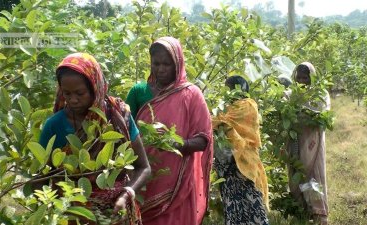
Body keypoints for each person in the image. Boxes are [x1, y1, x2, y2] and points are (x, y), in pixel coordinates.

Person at [39, 52, 151, 224]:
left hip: (115, 214)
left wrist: (127, 194)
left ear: (95, 87)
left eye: (80, 93)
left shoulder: (117, 117)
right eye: (67, 94)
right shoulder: (55, 126)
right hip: (72, 215)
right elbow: (40, 178)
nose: (73, 100)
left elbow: (143, 168)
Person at [125, 37, 213, 225]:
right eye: (156, 63)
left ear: (178, 64)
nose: (161, 69)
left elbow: (203, 139)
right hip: (142, 176)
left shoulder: (191, 95)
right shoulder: (138, 91)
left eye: (167, 64)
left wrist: (176, 144)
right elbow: (125, 131)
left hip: (177, 182)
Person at [212, 75, 269, 225]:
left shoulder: (248, 106)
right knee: (232, 205)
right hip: (228, 166)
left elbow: (222, 122)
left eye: (231, 89)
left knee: (252, 203)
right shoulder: (224, 109)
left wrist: (217, 121)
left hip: (245, 163)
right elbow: (216, 123)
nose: (228, 92)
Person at [286, 62, 330, 225]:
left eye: (306, 78)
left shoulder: (321, 94)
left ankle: (318, 214)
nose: (302, 82)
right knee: (296, 173)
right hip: (296, 141)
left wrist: (303, 113)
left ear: (312, 78)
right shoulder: (291, 94)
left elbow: (322, 114)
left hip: (313, 143)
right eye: (299, 78)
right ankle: (302, 212)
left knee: (313, 175)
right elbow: (284, 108)